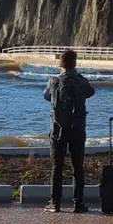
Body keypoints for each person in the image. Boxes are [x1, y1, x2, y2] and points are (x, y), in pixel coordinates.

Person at [42, 49, 95, 213]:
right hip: (78, 128)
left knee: (56, 166)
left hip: (58, 129)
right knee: (77, 167)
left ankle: (54, 203)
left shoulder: (54, 81)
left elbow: (46, 96)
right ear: (75, 63)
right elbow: (91, 92)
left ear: (61, 63)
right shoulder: (81, 81)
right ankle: (78, 203)